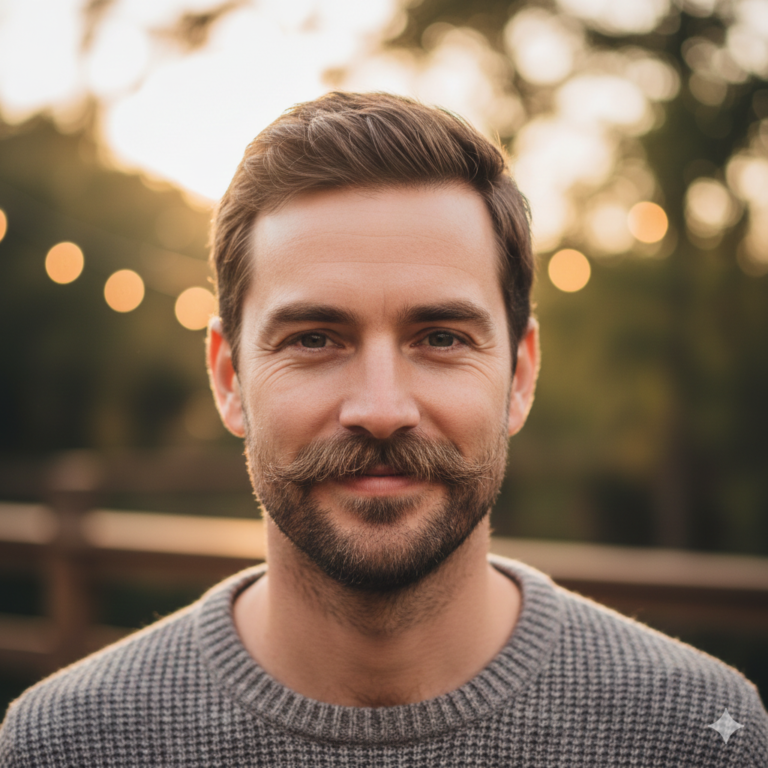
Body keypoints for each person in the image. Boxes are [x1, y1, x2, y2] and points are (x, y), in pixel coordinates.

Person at [1, 91, 766, 767]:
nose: (380, 407)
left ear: (520, 375)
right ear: (229, 378)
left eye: (441, 338)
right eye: (314, 339)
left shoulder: (700, 734)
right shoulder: (66, 745)